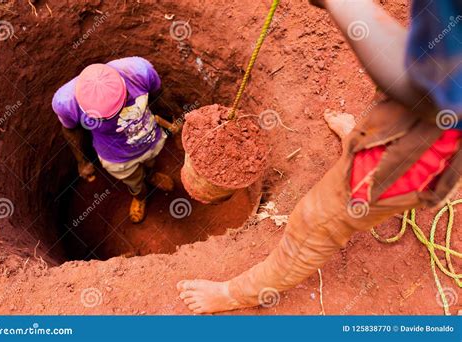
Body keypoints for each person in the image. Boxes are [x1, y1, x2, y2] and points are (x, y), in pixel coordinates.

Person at [177, 0, 462, 313]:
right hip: (425, 102)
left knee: (314, 224)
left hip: (426, 145)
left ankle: (238, 294)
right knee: (404, 89)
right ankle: (360, 139)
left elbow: (431, 85)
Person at [52, 57, 175, 224]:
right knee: (133, 180)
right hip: (117, 156)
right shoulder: (66, 102)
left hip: (149, 138)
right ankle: (140, 195)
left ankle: (152, 175)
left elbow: (159, 93)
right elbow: (70, 130)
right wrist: (82, 161)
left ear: (124, 88)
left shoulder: (139, 71)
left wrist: (178, 118)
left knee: (151, 161)